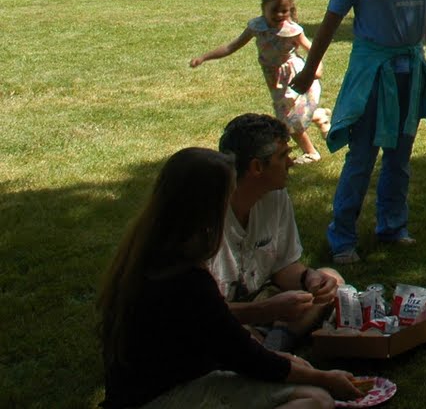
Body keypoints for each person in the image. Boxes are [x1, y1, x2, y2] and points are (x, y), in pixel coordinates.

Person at [99, 147, 361, 409]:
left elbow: (217, 341)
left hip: (172, 381)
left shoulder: (146, 253)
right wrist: (325, 378)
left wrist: (284, 360)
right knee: (316, 399)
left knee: (297, 372)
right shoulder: (185, 278)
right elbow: (243, 356)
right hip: (161, 397)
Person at [289, 0, 426, 265]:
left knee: (399, 155)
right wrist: (310, 68)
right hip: (374, 71)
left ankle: (392, 226)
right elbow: (331, 21)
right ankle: (342, 237)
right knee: (362, 155)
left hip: (410, 67)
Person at [209, 115, 346, 347]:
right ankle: (271, 344)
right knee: (224, 332)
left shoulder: (276, 195)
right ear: (257, 167)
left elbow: (283, 266)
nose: (291, 162)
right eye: (283, 156)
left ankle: (276, 341)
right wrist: (263, 311)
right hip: (220, 315)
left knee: (331, 279)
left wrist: (309, 278)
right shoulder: (207, 216)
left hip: (263, 301)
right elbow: (198, 310)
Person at [191, 0, 331, 163]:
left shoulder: (292, 30)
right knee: (292, 115)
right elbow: (231, 46)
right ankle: (319, 116)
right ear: (263, 7)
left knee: (287, 119)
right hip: (275, 78)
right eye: (274, 10)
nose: (280, 15)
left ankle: (311, 152)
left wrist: (315, 69)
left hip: (294, 76)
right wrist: (204, 57)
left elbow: (314, 50)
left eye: (284, 11)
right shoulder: (256, 27)